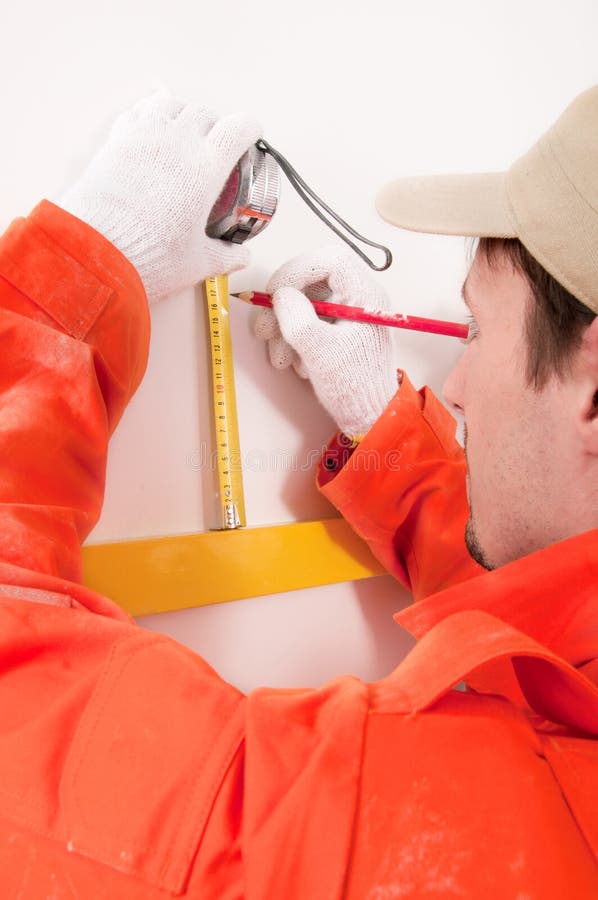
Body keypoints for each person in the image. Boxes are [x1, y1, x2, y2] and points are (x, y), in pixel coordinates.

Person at [0, 87, 595, 898]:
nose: (453, 387)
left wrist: (65, 291)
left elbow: (29, 737)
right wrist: (383, 429)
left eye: (480, 332)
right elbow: (559, 627)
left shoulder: (449, 831)